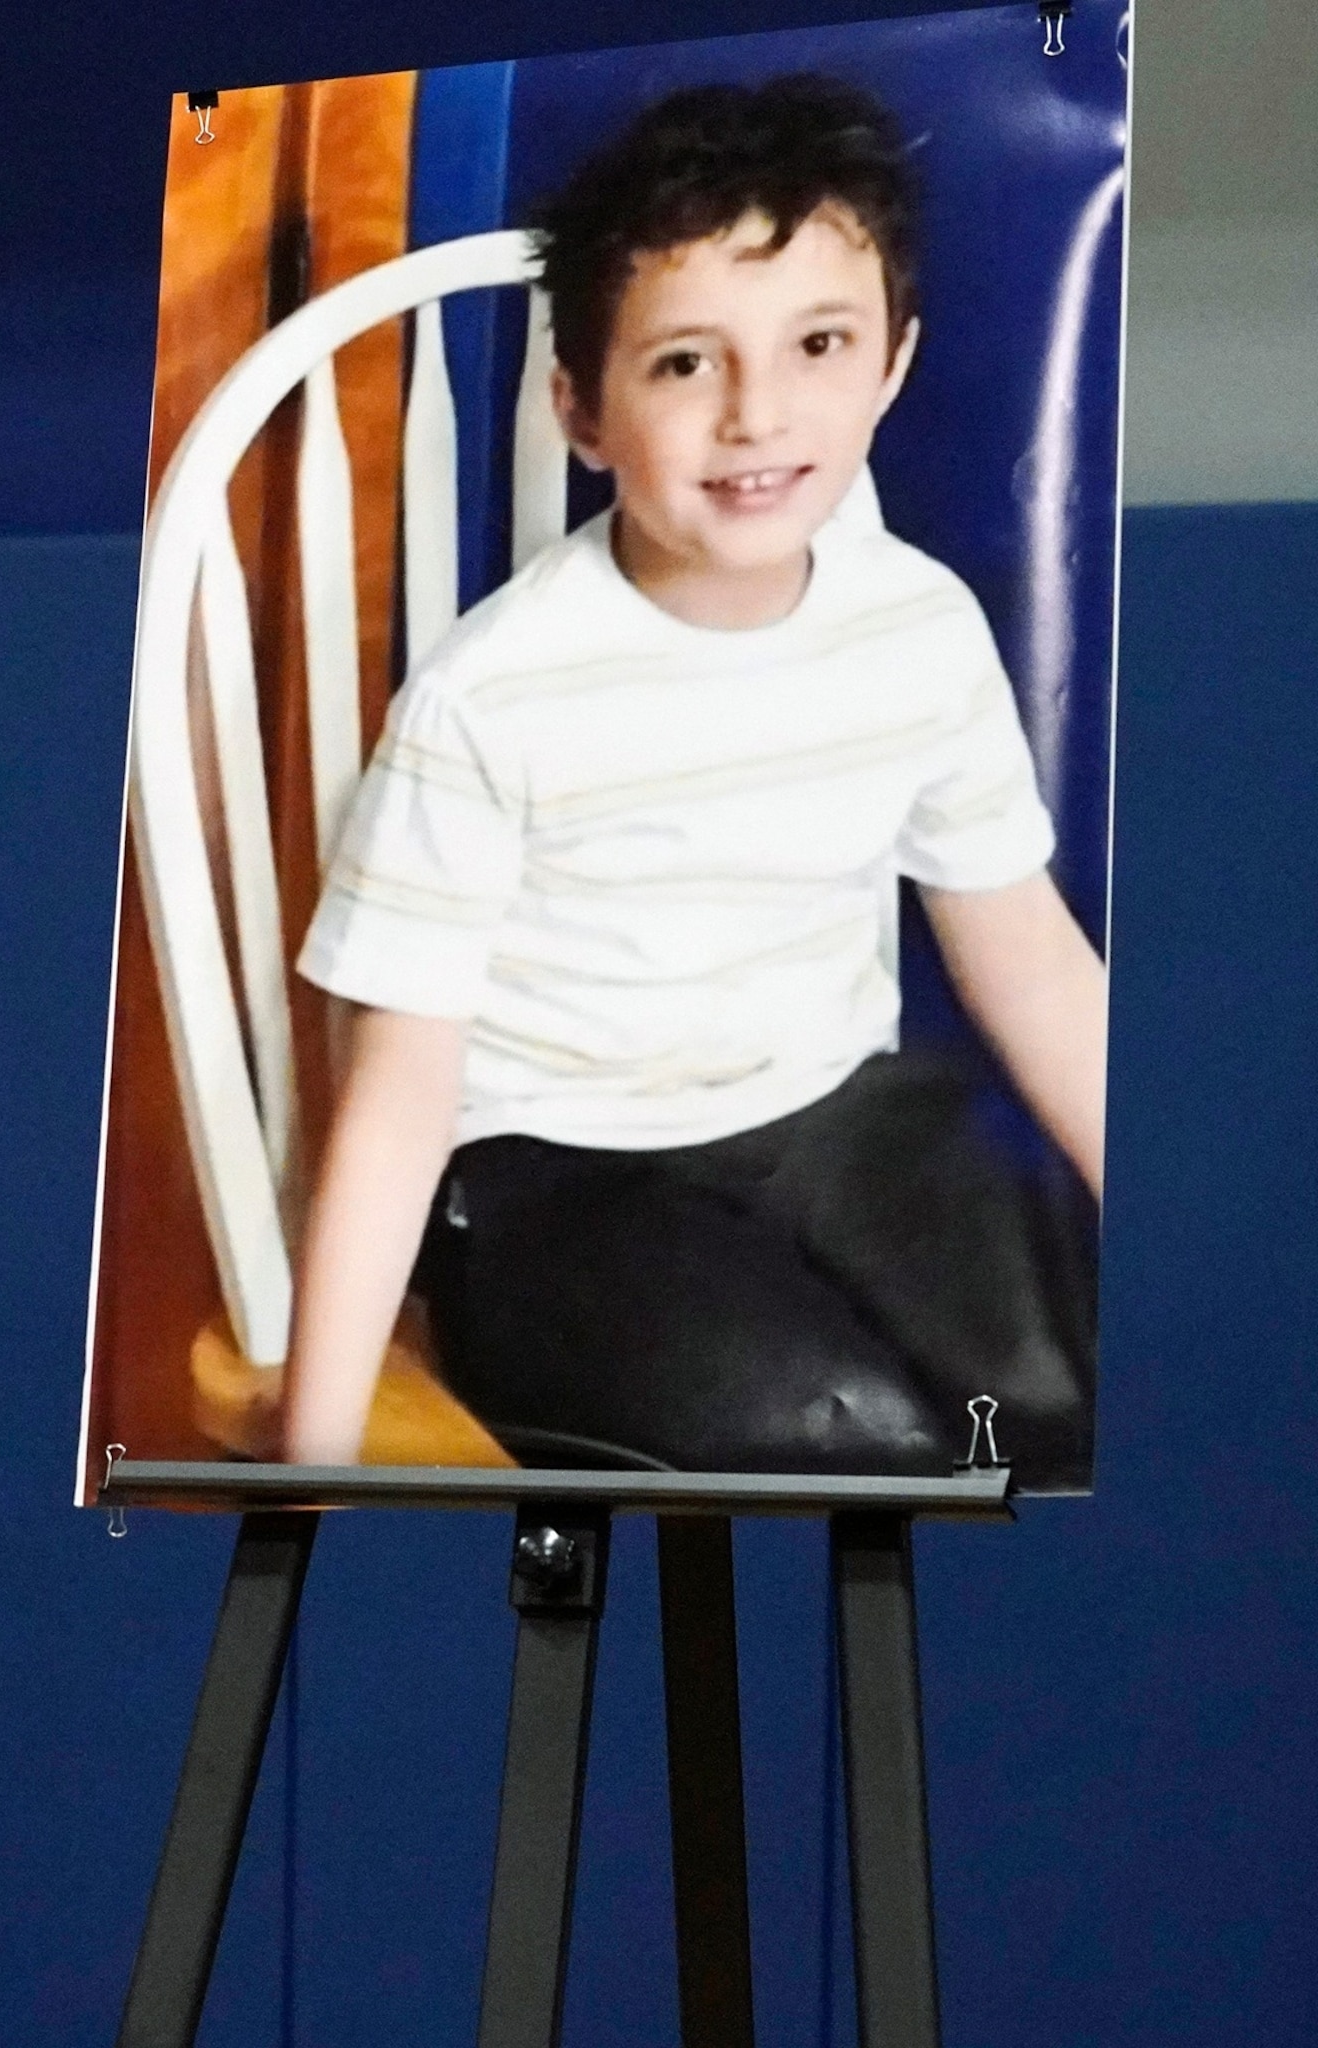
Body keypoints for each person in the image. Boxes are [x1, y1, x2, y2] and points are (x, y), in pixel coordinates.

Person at [283, 76, 1105, 1485]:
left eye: (819, 343)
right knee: (841, 1438)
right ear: (581, 409)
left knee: (1061, 1382)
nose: (756, 414)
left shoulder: (917, 629)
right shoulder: (495, 696)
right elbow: (403, 1087)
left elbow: (1027, 959)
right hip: (566, 1175)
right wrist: (309, 1454)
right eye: (683, 363)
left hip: (841, 1116)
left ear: (894, 362)